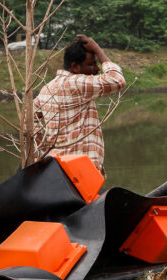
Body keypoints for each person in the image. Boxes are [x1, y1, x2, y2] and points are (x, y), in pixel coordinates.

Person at [34, 34, 126, 176]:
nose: (97, 69)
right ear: (75, 67)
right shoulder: (76, 83)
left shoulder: (48, 88)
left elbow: (29, 115)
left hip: (59, 170)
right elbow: (117, 80)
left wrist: (42, 148)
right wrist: (98, 50)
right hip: (81, 173)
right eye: (91, 64)